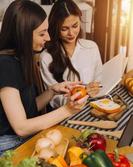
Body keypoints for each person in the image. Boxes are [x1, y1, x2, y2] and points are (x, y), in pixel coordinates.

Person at [0, 0, 88, 155]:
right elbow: (21, 127)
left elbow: (28, 108)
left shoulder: (22, 59)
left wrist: (52, 91)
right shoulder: (5, 65)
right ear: (23, 35)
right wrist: (67, 110)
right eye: (42, 33)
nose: (48, 37)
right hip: (7, 146)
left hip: (21, 140)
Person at [40, 0, 103, 109]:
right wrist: (76, 97)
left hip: (93, 107)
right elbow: (53, 99)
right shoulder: (47, 57)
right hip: (63, 113)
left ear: (80, 21)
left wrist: (96, 89)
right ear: (55, 28)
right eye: (64, 29)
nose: (71, 33)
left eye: (75, 26)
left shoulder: (91, 47)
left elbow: (100, 82)